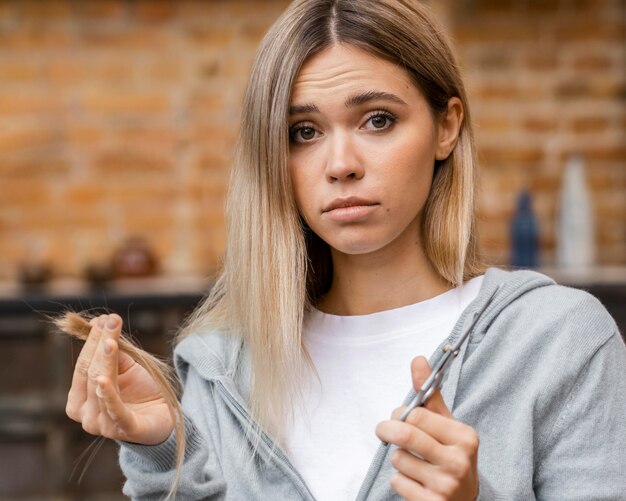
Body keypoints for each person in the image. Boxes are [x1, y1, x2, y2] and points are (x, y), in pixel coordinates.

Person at [57, 0, 626, 500]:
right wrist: (161, 448)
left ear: (446, 127)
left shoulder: (558, 342)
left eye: (378, 120)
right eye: (304, 132)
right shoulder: (225, 364)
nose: (341, 165)